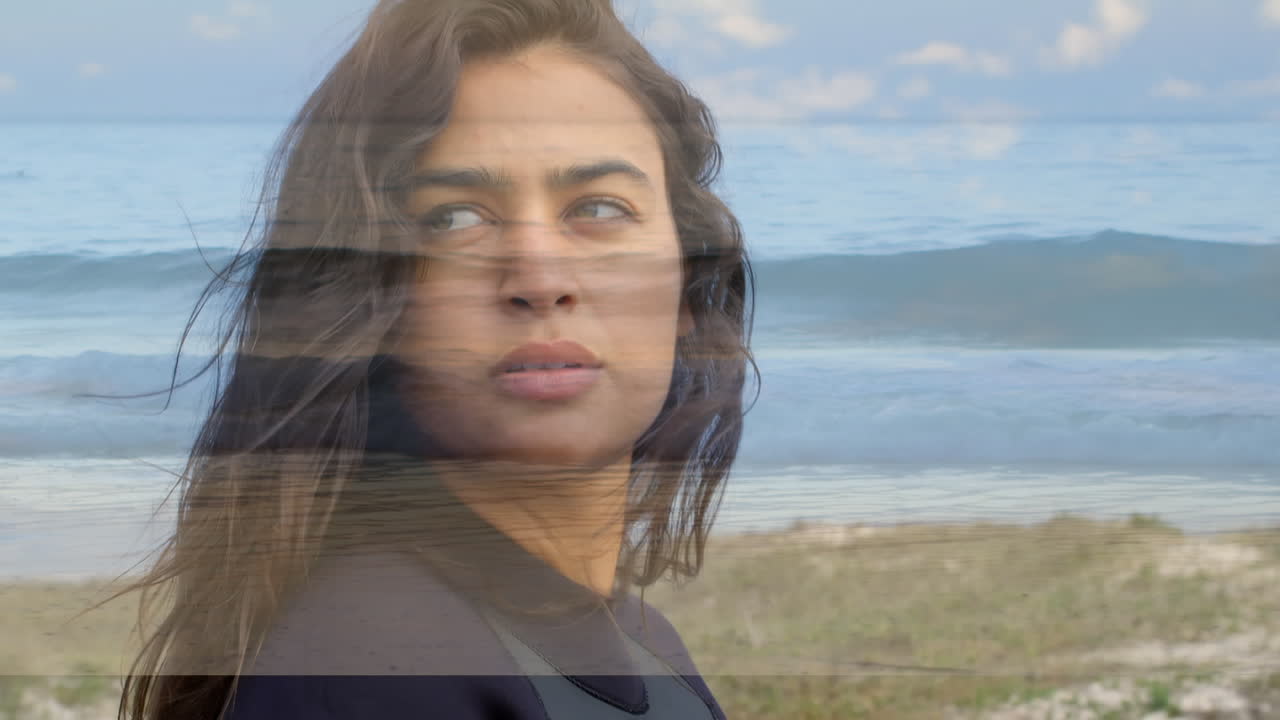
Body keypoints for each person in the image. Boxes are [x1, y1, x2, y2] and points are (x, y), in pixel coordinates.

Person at [112, 0, 755, 717]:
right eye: (454, 218)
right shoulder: (372, 656)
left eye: (599, 209)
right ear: (371, 304)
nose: (540, 277)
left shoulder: (644, 644)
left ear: (689, 286)